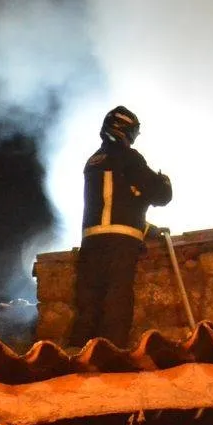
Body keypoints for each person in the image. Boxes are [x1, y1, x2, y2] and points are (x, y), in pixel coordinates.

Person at [69, 106, 172, 348]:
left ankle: (77, 358)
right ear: (127, 131)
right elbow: (159, 195)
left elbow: (114, 203)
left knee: (89, 302)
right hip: (120, 244)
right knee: (117, 300)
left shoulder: (94, 161)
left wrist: (147, 228)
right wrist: (164, 181)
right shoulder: (130, 158)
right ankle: (111, 358)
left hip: (92, 242)